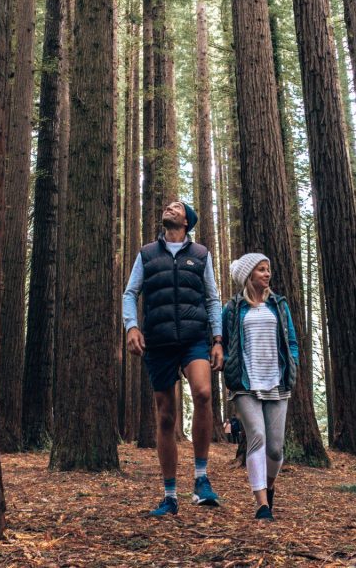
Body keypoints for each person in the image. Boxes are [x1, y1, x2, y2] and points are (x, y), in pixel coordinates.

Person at [123, 200, 224, 517]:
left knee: (204, 393)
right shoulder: (147, 254)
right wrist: (132, 327)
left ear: (187, 221)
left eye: (176, 207)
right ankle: (169, 496)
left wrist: (218, 339)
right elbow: (130, 293)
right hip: (159, 342)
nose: (168, 208)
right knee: (166, 416)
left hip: (194, 339)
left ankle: (201, 478)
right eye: (166, 206)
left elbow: (212, 298)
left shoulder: (201, 255)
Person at [221, 253, 298, 522]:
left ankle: (269, 485)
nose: (267, 274)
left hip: (276, 381)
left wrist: (293, 364)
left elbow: (292, 341)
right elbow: (221, 341)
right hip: (245, 383)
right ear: (249, 275)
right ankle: (262, 505)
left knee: (275, 448)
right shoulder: (232, 308)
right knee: (257, 436)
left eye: (268, 269)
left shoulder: (279, 305)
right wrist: (228, 365)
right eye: (262, 270)